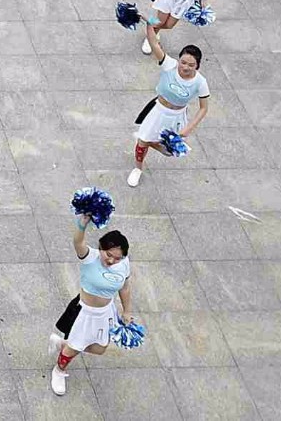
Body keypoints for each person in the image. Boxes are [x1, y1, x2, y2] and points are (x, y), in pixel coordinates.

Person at [48, 222, 133, 397]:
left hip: (106, 312)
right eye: (108, 254)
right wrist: (82, 224)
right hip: (84, 312)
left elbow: (125, 287)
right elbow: (77, 242)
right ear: (100, 248)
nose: (111, 260)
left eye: (117, 258)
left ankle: (62, 344)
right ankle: (59, 370)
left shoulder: (124, 264)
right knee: (75, 347)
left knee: (100, 348)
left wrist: (127, 310)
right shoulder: (90, 257)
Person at [129, 29, 209, 187]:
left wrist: (188, 129)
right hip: (158, 111)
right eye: (183, 62)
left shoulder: (200, 82)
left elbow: (203, 108)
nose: (185, 67)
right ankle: (138, 168)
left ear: (197, 66)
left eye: (191, 65)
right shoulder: (169, 65)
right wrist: (150, 25)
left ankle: (146, 139)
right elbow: (153, 43)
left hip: (177, 116)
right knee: (142, 143)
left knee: (170, 151)